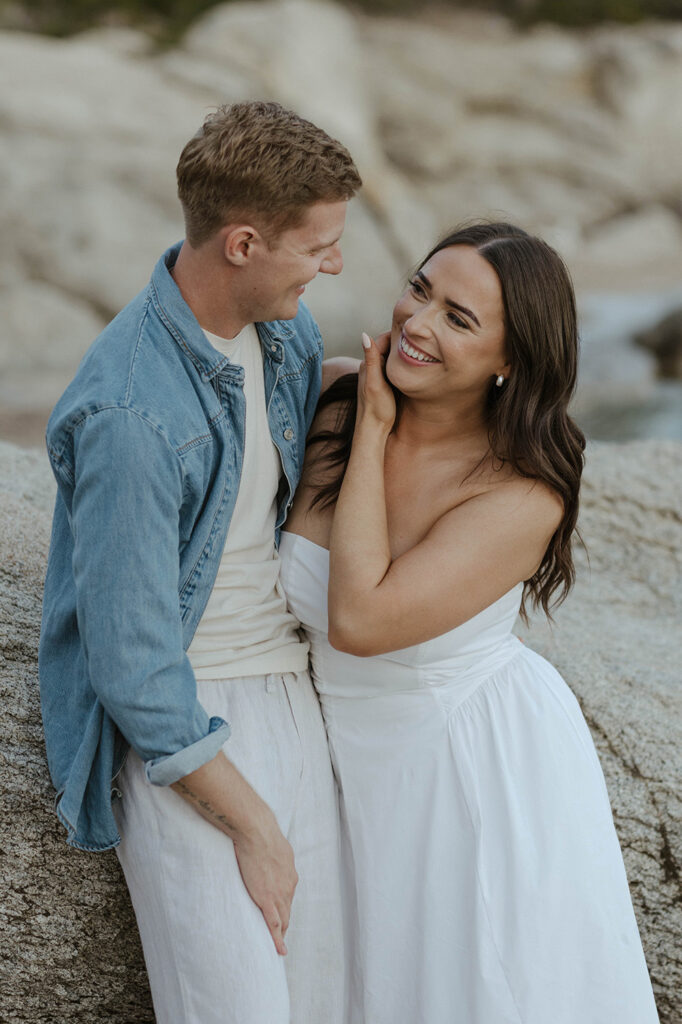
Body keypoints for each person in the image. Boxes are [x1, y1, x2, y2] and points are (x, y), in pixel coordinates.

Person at [281, 222, 660, 1023]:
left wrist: (377, 429)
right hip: (335, 754)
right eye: (420, 290)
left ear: (509, 361)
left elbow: (357, 618)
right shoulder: (335, 393)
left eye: (459, 318)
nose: (417, 324)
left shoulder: (520, 493)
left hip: (464, 771)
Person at [39, 100, 361, 1024]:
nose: (335, 263)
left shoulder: (283, 332)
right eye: (320, 245)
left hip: (297, 702)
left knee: (327, 1007)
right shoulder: (131, 418)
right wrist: (253, 826)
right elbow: (134, 667)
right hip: (194, 725)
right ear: (244, 243)